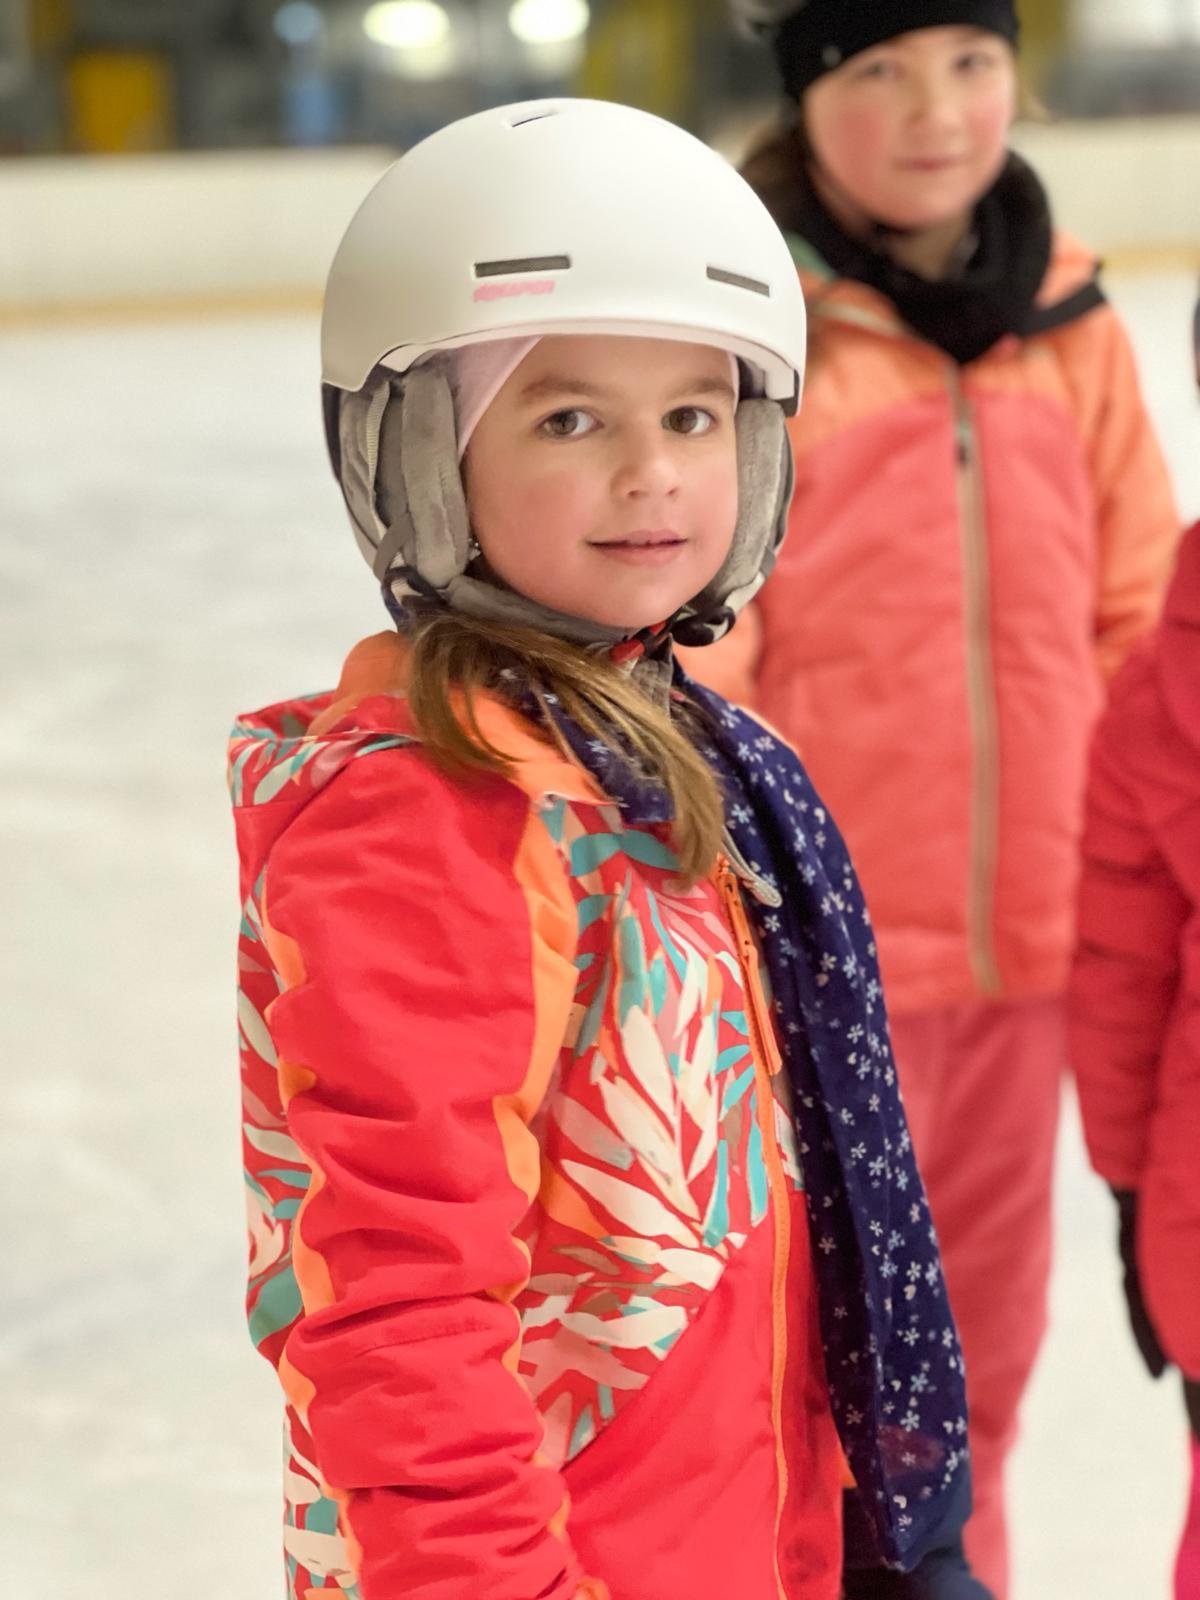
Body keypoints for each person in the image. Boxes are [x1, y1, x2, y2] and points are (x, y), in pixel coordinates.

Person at [229, 99, 993, 1600]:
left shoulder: (683, 763)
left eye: (693, 416)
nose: (653, 471)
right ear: (423, 457)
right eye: (569, 418)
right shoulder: (434, 814)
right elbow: (395, 1301)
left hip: (743, 1538)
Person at [685, 4, 1181, 1593]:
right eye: (878, 72)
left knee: (980, 1370)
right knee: (820, 1380)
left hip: (1033, 949)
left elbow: (1139, 628)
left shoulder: (1071, 321)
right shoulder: (753, 330)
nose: (935, 111)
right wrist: (754, 897)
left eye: (969, 61)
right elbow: (709, 646)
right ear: (804, 97)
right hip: (823, 970)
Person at [1069, 291, 1200, 1600]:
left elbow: (1125, 974)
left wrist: (1127, 1191)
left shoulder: (1157, 685)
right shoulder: (1158, 692)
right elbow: (1126, 965)